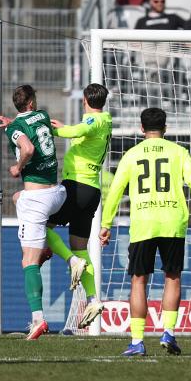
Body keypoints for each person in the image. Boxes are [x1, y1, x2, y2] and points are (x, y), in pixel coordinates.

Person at [100, 107, 191, 356]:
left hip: (143, 223)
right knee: (172, 277)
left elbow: (116, 189)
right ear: (165, 128)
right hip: (172, 221)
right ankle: (168, 333)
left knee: (138, 281)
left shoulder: (131, 154)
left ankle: (137, 341)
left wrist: (106, 223)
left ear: (141, 128)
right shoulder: (179, 152)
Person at [0, 85, 67, 340]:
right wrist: (14, 123)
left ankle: (38, 320)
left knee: (27, 262)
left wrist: (17, 166)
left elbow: (28, 148)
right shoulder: (42, 115)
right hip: (57, 194)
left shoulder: (15, 128)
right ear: (32, 102)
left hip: (38, 200)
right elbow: (31, 125)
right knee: (16, 197)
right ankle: (46, 244)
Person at [43, 83, 112, 329]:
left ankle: (71, 261)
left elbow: (81, 129)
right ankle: (93, 299)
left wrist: (53, 131)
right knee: (81, 247)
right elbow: (81, 131)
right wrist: (66, 128)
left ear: (85, 100)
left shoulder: (96, 121)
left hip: (76, 187)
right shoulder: (105, 121)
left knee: (42, 226)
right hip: (91, 191)